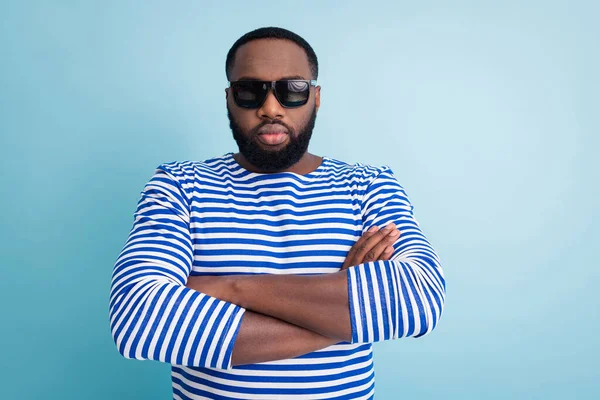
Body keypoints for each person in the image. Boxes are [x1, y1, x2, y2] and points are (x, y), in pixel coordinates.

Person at [109, 26, 445, 400]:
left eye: (293, 90)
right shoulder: (180, 185)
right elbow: (139, 319)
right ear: (228, 98)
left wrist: (228, 287)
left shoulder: (368, 184)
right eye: (250, 91)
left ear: (316, 97)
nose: (270, 108)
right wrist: (349, 314)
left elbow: (419, 297)